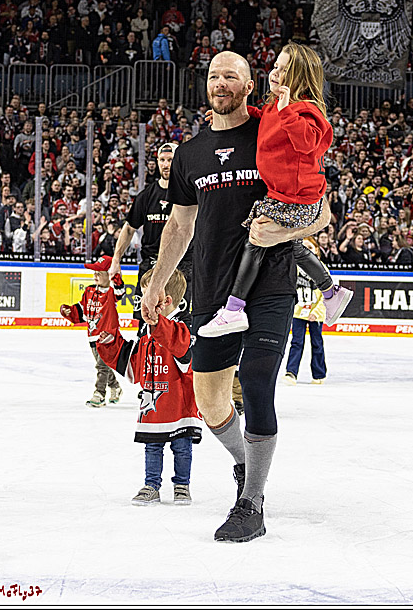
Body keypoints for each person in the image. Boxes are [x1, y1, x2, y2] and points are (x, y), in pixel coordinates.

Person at [140, 50, 330, 543]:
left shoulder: (274, 127)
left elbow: (322, 212)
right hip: (210, 285)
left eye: (232, 75)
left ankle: (251, 504)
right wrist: (158, 281)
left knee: (258, 379)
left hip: (270, 281)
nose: (220, 81)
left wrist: (284, 231)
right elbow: (180, 225)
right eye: (213, 75)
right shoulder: (190, 154)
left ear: (250, 86)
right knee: (208, 400)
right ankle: (249, 467)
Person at [196, 43, 352, 338]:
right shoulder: (276, 108)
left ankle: (233, 308)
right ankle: (331, 292)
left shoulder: (306, 110)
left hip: (293, 196)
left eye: (283, 69)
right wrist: (240, 114)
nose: (275, 72)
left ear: (300, 75)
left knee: (255, 241)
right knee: (285, 243)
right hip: (283, 193)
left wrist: (286, 112)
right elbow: (265, 120)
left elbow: (308, 143)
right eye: (275, 66)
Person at [96, 268, 202, 506]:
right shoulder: (147, 332)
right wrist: (111, 344)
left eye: (147, 297)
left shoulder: (184, 328)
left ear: (165, 302)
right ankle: (151, 485)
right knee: (152, 446)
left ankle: (182, 485)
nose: (142, 303)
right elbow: (134, 363)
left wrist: (158, 326)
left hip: (180, 404)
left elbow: (182, 351)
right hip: (152, 403)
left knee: (182, 447)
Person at [109, 142, 193, 326]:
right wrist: (116, 259)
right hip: (150, 265)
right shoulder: (146, 195)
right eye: (162, 160)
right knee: (146, 322)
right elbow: (129, 227)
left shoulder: (191, 194)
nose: (165, 164)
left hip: (183, 266)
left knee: (182, 324)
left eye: (170, 160)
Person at [58, 255, 125, 407]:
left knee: (101, 366)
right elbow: (82, 311)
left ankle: (99, 394)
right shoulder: (89, 291)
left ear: (108, 275)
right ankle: (115, 387)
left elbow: (120, 292)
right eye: (94, 272)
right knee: (104, 365)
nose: (95, 275)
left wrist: (117, 279)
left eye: (99, 272)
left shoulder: (111, 292)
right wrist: (69, 311)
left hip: (107, 336)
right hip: (92, 336)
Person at [283, 238, 328, 384]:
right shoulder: (294, 267)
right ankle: (291, 373)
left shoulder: (322, 268)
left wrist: (317, 311)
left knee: (317, 343)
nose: (307, 249)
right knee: (296, 342)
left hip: (316, 314)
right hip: (298, 311)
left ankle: (319, 374)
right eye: (304, 247)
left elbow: (326, 294)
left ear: (316, 249)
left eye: (310, 246)